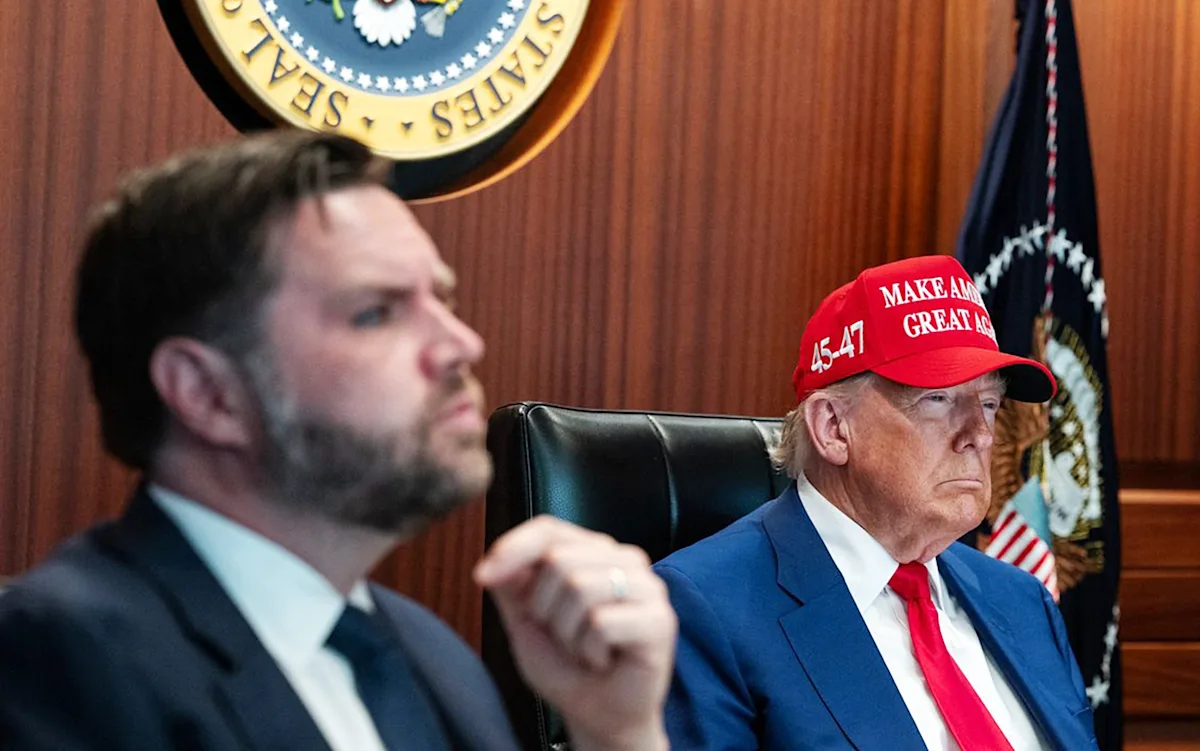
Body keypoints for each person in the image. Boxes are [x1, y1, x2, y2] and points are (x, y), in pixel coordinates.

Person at [0, 131, 675, 751]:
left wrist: (616, 732)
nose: (461, 344)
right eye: (375, 313)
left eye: (442, 300)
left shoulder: (432, 658)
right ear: (208, 394)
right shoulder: (60, 658)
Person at [653, 255, 1099, 750]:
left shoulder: (1022, 600)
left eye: (989, 404)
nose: (981, 434)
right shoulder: (704, 611)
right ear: (832, 428)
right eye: (938, 399)